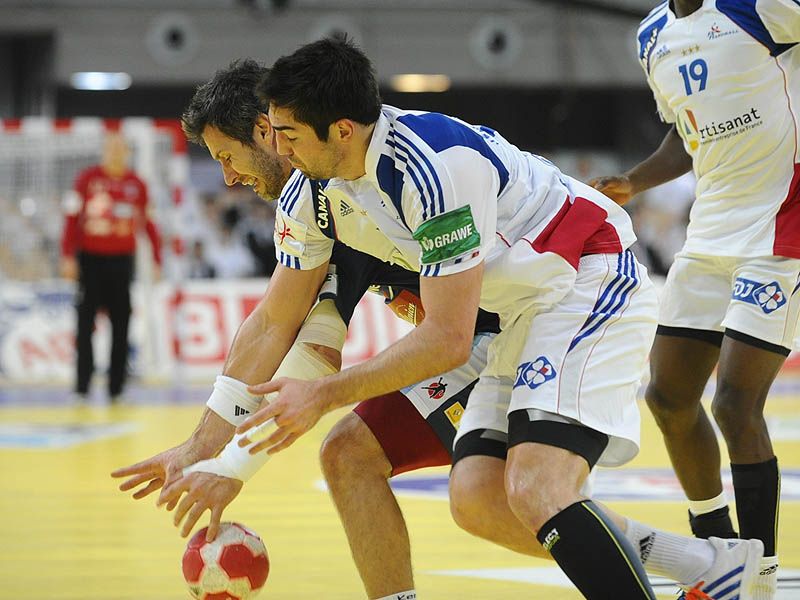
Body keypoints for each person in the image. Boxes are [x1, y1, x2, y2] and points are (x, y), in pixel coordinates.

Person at [113, 59, 764, 600]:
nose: (229, 176)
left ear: (279, 129)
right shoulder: (313, 195)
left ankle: (700, 563)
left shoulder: (424, 168)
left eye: (230, 156)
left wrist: (240, 458)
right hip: (497, 322)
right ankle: (705, 564)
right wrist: (206, 450)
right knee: (464, 494)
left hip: (571, 283)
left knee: (536, 487)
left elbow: (410, 346)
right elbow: (280, 329)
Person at [590, 2, 800, 597]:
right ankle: (718, 551)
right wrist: (634, 181)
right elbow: (688, 134)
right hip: (708, 234)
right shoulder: (652, 34)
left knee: (735, 405)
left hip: (778, 230)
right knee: (668, 397)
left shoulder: (762, 8)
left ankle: (759, 575)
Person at [60, 132, 162, 402]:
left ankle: (116, 388)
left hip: (121, 262)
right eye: (111, 147)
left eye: (120, 147)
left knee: (121, 323)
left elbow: (149, 224)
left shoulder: (137, 184)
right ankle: (82, 387)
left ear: (127, 152)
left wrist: (156, 259)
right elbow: (71, 219)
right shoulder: (86, 179)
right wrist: (68, 256)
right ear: (104, 151)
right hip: (90, 261)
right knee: (85, 324)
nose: (115, 152)